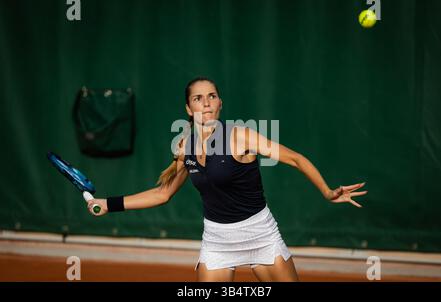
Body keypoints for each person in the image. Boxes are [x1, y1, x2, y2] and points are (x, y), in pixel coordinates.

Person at [87, 77, 368, 282]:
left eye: (211, 96)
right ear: (188, 108)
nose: (206, 102)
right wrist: (109, 204)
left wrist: (327, 191)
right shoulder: (185, 147)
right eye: (198, 98)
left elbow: (294, 158)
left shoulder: (241, 136)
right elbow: (162, 194)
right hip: (217, 240)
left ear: (220, 103)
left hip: (260, 234)